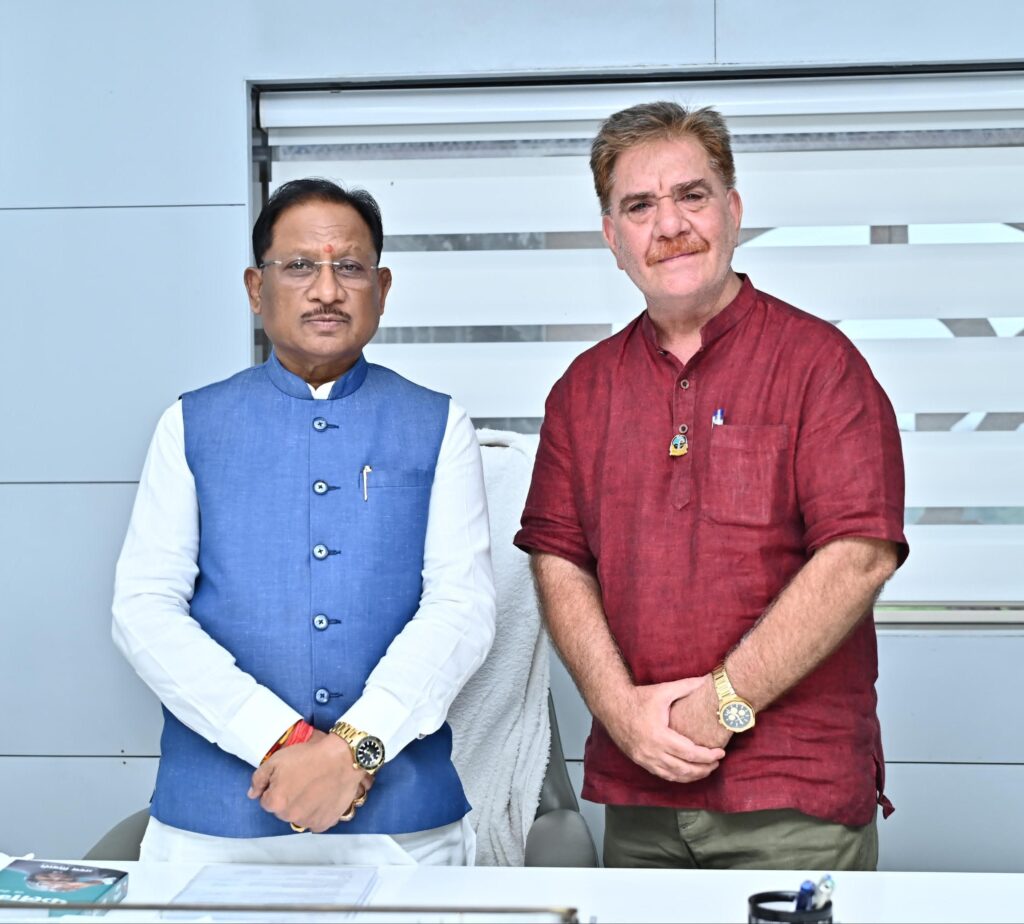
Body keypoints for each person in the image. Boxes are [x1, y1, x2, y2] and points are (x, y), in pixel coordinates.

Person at [514, 102, 908, 870]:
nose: (670, 225)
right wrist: (620, 713)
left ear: (732, 210)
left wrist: (721, 706)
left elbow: (859, 556)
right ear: (613, 238)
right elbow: (558, 561)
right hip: (640, 791)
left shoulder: (820, 366)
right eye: (639, 206)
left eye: (691, 196)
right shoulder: (582, 391)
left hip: (792, 798)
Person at [113, 177, 496, 866]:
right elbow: (144, 610)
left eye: (348, 266)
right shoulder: (190, 424)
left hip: (403, 826)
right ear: (255, 288)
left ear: (381, 287)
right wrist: (280, 740)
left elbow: (461, 608)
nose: (326, 290)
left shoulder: (440, 424)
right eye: (298, 266)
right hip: (214, 826)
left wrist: (354, 749)